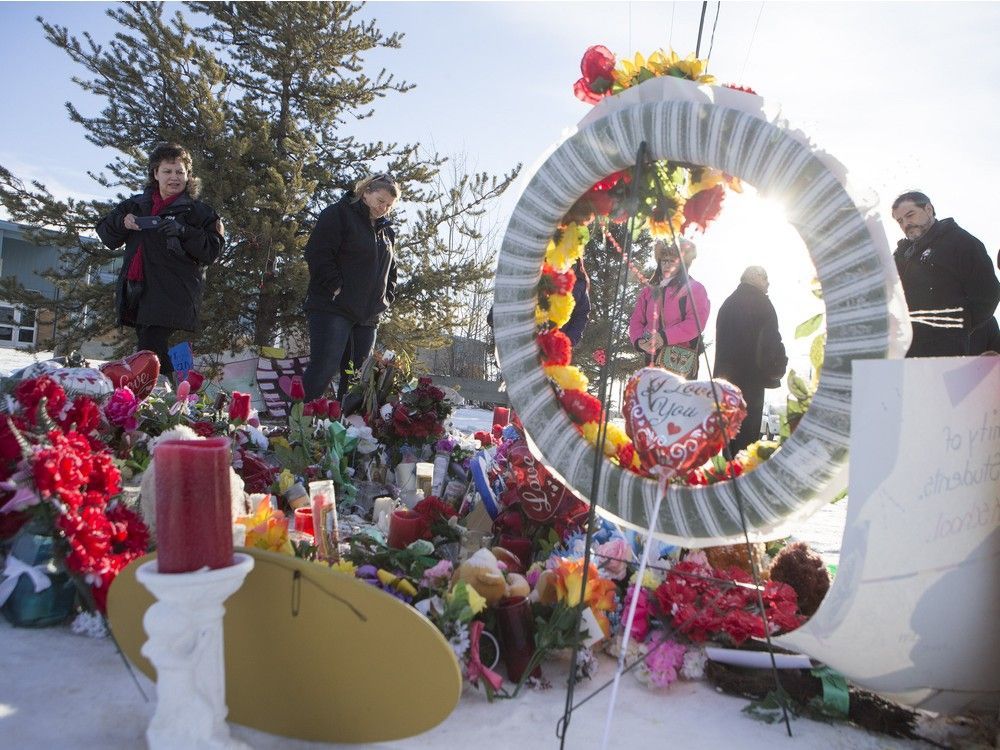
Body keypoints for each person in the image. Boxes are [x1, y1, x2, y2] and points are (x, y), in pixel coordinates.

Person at [96, 142, 224, 381]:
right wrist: (122, 222)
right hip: (139, 292)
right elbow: (106, 234)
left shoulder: (200, 213)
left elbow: (212, 251)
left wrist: (183, 231)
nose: (174, 178)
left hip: (175, 294)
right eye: (167, 171)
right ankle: (169, 399)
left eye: (180, 172)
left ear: (188, 176)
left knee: (150, 350)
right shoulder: (135, 206)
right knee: (150, 350)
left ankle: (157, 400)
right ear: (155, 173)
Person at [302, 173, 399, 402]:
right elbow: (318, 253)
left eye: (389, 205)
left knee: (356, 377)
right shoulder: (339, 214)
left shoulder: (387, 232)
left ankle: (346, 429)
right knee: (324, 369)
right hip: (333, 308)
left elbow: (391, 269)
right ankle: (298, 425)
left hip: (367, 317)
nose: (383, 208)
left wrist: (386, 297)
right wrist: (336, 288)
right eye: (380, 201)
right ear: (365, 192)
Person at [891, 191, 999, 357]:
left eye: (910, 215)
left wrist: (954, 329)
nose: (906, 223)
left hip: (944, 354)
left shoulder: (960, 241)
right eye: (900, 221)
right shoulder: (900, 256)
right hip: (901, 352)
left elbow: (987, 294)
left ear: (928, 209)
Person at [714, 266, 787, 453]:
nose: (768, 283)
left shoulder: (727, 304)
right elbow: (771, 340)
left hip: (725, 383)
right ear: (754, 277)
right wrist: (779, 365)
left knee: (729, 435)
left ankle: (728, 475)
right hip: (750, 381)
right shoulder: (762, 303)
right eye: (765, 278)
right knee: (747, 438)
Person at [628, 238, 709, 379]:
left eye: (672, 261)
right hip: (651, 359)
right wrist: (639, 341)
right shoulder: (648, 291)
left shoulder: (695, 288)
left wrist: (664, 337)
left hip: (680, 359)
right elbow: (636, 320)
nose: (667, 264)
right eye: (664, 260)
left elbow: (696, 322)